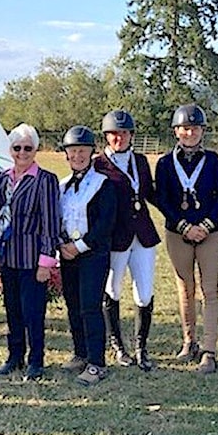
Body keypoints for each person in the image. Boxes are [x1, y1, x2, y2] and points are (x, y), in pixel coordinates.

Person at [154, 104, 218, 374]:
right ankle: (189, 341)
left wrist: (206, 225)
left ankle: (209, 349)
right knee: (185, 288)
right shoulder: (164, 163)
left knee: (210, 290)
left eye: (195, 128)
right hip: (178, 232)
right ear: (176, 131)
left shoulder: (213, 159)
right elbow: (162, 199)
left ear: (202, 131)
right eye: (186, 128)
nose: (190, 133)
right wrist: (184, 225)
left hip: (209, 231)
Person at [0, 123, 60, 382]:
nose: (22, 152)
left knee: (33, 312)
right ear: (10, 149)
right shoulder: (2, 179)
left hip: (32, 259)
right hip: (7, 257)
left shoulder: (45, 180)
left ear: (36, 149)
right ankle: (14, 356)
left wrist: (46, 262)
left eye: (27, 148)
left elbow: (51, 224)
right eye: (17, 148)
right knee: (12, 311)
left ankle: (36, 360)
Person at [92, 109, 162, 372]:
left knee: (144, 293)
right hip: (115, 237)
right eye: (113, 134)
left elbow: (150, 193)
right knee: (113, 290)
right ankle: (118, 345)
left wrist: (179, 214)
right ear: (107, 136)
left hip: (142, 234)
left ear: (131, 135)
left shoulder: (141, 161)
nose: (118, 138)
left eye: (123, 133)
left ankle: (141, 347)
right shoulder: (98, 164)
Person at [57, 125, 117, 386]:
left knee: (90, 306)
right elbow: (56, 219)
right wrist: (62, 245)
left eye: (82, 151)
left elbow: (105, 224)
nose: (77, 156)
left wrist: (79, 246)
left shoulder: (103, 185)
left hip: (92, 253)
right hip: (68, 254)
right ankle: (80, 352)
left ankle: (97, 362)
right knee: (73, 304)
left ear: (91, 153)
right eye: (73, 151)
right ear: (67, 155)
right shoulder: (62, 186)